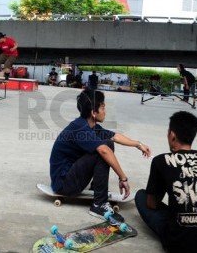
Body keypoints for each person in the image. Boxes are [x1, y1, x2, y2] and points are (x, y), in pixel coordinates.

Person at [135, 111, 197, 253]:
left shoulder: (161, 161)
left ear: (172, 135)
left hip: (176, 243)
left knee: (141, 195)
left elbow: (152, 204)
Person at [49, 89, 152, 222]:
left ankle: (96, 187)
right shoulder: (81, 129)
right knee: (105, 148)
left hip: (68, 176)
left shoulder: (88, 124)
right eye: (102, 107)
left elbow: (115, 136)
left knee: (107, 143)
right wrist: (123, 178)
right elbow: (104, 150)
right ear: (93, 112)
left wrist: (138, 144)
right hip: (64, 184)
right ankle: (99, 204)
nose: (105, 111)